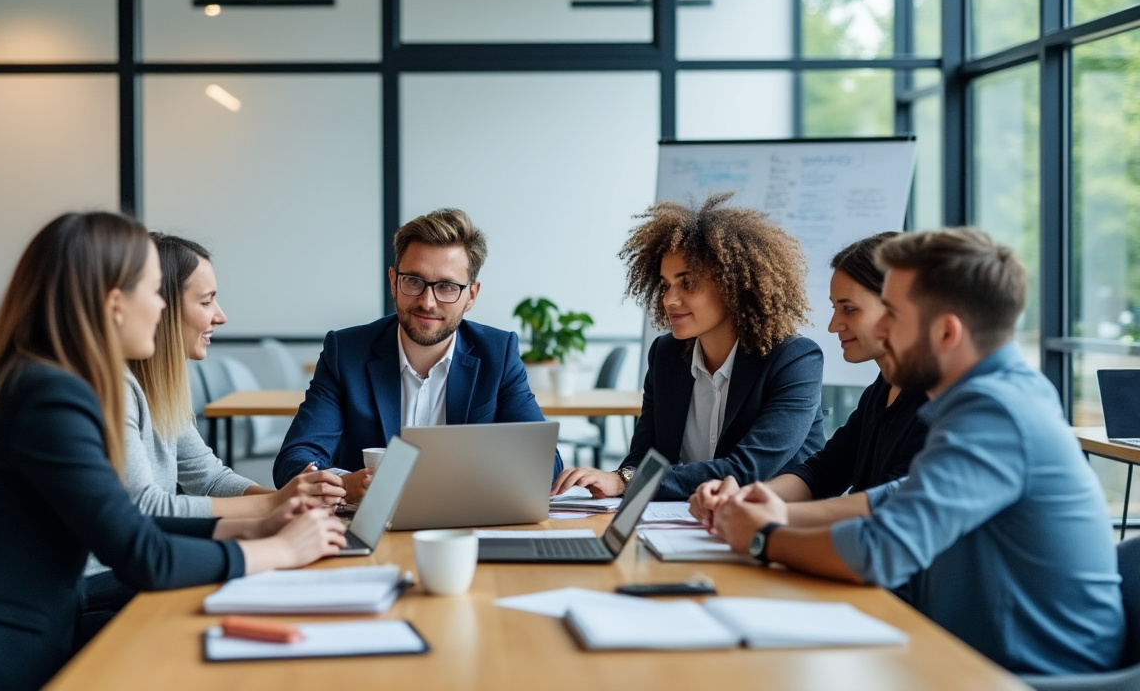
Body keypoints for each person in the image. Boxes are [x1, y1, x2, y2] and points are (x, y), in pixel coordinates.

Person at [0, 212, 347, 691]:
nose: (161, 308)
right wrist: (278, 549)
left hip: (21, 629)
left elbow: (128, 523)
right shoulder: (50, 396)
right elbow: (141, 553)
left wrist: (256, 526)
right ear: (114, 304)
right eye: (154, 292)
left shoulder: (46, 380)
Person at [712, 227, 1124, 676]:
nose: (881, 330)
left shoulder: (996, 411)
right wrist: (779, 515)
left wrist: (761, 539)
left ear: (947, 332)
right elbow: (898, 495)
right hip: (972, 654)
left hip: (1027, 676)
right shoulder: (993, 394)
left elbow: (882, 550)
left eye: (892, 314)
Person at [273, 208, 561, 501]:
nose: (427, 302)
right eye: (413, 281)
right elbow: (293, 460)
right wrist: (343, 484)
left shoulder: (497, 355)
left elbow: (545, 464)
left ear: (471, 295)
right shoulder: (346, 352)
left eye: (447, 287)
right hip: (370, 527)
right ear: (394, 282)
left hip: (468, 525)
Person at [551, 194, 824, 501]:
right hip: (686, 519)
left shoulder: (794, 360)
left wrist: (630, 482)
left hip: (770, 526)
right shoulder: (666, 355)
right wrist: (622, 477)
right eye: (665, 285)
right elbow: (642, 458)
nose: (669, 299)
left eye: (688, 283)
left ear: (732, 285)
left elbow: (747, 469)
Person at [690, 232, 928, 529]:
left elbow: (891, 509)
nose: (833, 325)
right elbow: (823, 472)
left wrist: (770, 522)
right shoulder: (881, 390)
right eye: (835, 308)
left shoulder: (936, 401)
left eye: (849, 309)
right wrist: (745, 497)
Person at [121, 233, 344, 517]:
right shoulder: (118, 391)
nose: (220, 316)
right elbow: (146, 509)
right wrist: (277, 504)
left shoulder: (162, 390)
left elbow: (210, 479)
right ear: (161, 306)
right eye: (205, 302)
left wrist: (296, 503)